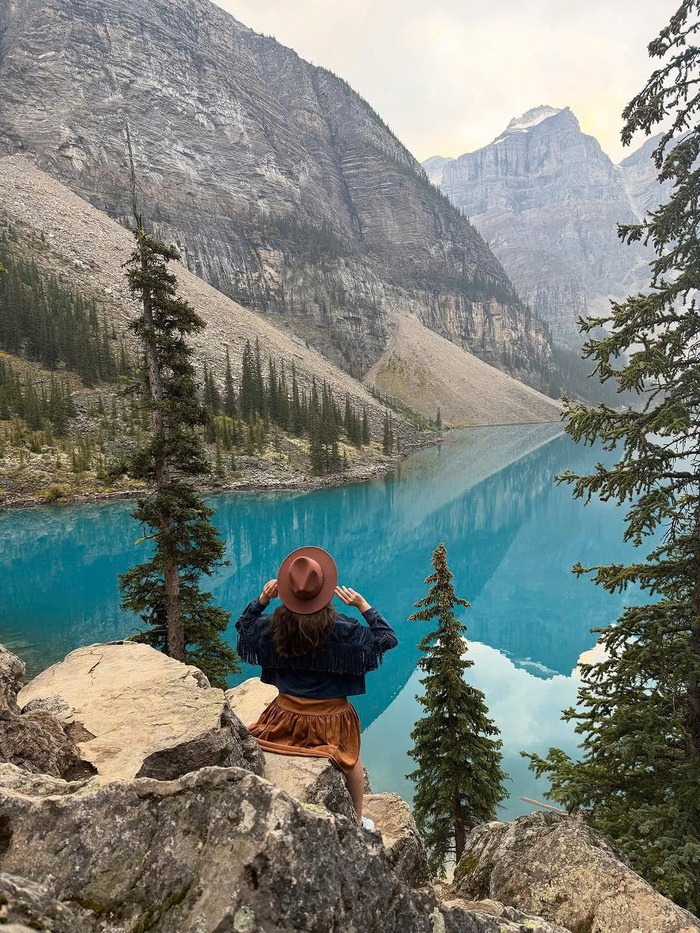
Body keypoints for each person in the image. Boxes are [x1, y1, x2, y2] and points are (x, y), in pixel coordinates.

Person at [235, 546, 398, 826]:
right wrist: (362, 605)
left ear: (287, 590)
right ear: (324, 589)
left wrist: (261, 600)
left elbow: (244, 629)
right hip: (331, 720)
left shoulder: (274, 625)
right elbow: (386, 639)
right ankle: (357, 821)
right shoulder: (342, 627)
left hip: (284, 717)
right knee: (352, 762)